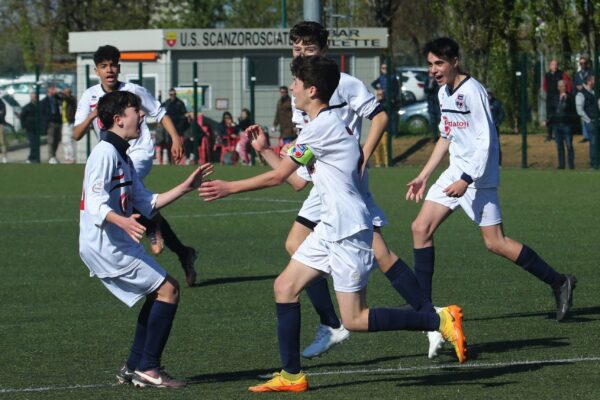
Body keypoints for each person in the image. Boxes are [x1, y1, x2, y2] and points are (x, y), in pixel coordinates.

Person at [199, 56, 466, 393]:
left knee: (354, 319)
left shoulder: (322, 128)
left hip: (348, 230)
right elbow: (296, 180)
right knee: (284, 288)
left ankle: (437, 319)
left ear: (312, 89)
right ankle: (292, 375)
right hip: (330, 227)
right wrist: (266, 149)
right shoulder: (319, 127)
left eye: (296, 82)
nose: (291, 88)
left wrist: (229, 187)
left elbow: (281, 176)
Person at [251, 21, 446, 361]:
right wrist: (277, 152)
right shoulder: (302, 88)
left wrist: (363, 156)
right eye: (296, 48)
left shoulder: (341, 83)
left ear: (323, 51)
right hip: (324, 182)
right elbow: (302, 155)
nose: (301, 54)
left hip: (345, 184)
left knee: (379, 255)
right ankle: (339, 323)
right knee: (302, 245)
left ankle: (430, 320)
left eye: (308, 49)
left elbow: (380, 117)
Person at [406, 38, 577, 328]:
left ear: (455, 61)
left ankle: (560, 282)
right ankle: (423, 307)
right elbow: (445, 137)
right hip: (456, 172)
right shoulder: (443, 93)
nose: (434, 69)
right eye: (430, 64)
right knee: (420, 228)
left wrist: (466, 179)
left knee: (495, 243)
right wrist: (423, 175)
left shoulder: (473, 92)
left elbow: (486, 141)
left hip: (478, 176)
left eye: (439, 63)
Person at [79, 90, 213, 389]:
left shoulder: (121, 155)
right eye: (134, 111)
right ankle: (149, 368)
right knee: (169, 290)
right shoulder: (104, 154)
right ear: (117, 119)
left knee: (159, 292)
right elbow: (95, 203)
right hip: (105, 244)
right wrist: (122, 220)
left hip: (116, 240)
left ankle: (133, 366)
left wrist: (185, 187)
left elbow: (148, 202)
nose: (142, 115)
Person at [73, 45, 198, 287]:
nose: (109, 70)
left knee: (126, 193)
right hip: (114, 155)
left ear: (119, 67)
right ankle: (182, 251)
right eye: (104, 66)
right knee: (129, 199)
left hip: (138, 153)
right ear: (96, 70)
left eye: (113, 65)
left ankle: (150, 225)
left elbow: (160, 113)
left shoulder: (133, 91)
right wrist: (92, 115)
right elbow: (76, 134)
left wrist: (175, 138)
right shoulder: (89, 97)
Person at [543, 59, 572, 143]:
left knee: (559, 115)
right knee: (549, 116)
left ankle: (559, 135)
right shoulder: (547, 75)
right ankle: (549, 135)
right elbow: (544, 86)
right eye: (553, 65)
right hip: (550, 98)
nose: (554, 66)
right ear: (550, 66)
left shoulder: (562, 74)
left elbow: (568, 84)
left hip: (559, 98)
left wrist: (566, 94)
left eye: (556, 65)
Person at [160, 88, 189, 163]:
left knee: (179, 143)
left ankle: (179, 160)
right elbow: (159, 109)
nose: (172, 96)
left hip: (178, 127)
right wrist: (159, 96)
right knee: (169, 144)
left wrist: (181, 126)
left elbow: (184, 114)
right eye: (171, 94)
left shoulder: (180, 103)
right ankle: (171, 161)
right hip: (169, 127)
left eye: (174, 94)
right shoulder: (167, 103)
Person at [552, 80, 576, 169]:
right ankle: (561, 165)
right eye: (561, 86)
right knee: (559, 145)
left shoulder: (570, 97)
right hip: (557, 124)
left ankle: (571, 165)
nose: (563, 88)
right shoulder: (555, 97)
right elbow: (553, 109)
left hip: (567, 124)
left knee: (569, 145)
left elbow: (573, 109)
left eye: (565, 86)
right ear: (558, 88)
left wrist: (567, 100)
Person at [575, 74, 598, 168]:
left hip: (597, 120)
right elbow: (579, 110)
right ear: (589, 81)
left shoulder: (595, 92)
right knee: (593, 142)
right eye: (594, 80)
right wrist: (588, 120)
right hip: (591, 121)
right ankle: (594, 163)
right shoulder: (581, 94)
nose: (595, 82)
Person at [39, 84, 62, 164]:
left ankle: (54, 155)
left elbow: (63, 98)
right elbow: (41, 113)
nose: (54, 90)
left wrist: (59, 93)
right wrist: (47, 120)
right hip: (50, 123)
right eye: (52, 89)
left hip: (58, 122)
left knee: (57, 139)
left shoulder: (57, 99)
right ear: (48, 90)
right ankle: (51, 156)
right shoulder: (44, 101)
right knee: (51, 140)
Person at [574, 55, 592, 143]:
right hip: (581, 96)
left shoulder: (591, 72)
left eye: (584, 63)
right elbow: (575, 84)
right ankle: (586, 135)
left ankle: (591, 133)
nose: (583, 64)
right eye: (581, 63)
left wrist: (584, 86)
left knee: (589, 114)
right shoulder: (577, 74)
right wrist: (577, 88)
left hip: (589, 96)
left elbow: (592, 82)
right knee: (582, 115)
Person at [20, 93, 40, 163]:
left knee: (36, 143)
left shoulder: (39, 106)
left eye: (35, 97)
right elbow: (22, 117)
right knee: (33, 143)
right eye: (33, 97)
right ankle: (31, 158)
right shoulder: (27, 107)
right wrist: (24, 126)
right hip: (30, 128)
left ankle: (34, 157)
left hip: (37, 128)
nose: (35, 99)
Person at [59, 87, 77, 163]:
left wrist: (59, 92)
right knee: (64, 141)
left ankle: (71, 157)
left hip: (69, 122)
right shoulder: (64, 100)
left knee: (68, 140)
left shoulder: (71, 99)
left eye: (66, 92)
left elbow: (66, 98)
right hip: (64, 122)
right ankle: (67, 157)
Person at [487, 90, 505, 166]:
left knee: (496, 145)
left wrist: (498, 123)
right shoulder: (483, 103)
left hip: (494, 128)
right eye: (487, 94)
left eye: (490, 93)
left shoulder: (497, 103)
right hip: (485, 128)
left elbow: (501, 114)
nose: (489, 95)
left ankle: (498, 163)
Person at [372, 88, 389, 167]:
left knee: (385, 147)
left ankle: (387, 163)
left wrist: (378, 102)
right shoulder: (375, 103)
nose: (380, 96)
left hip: (385, 130)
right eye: (378, 94)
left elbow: (383, 109)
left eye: (381, 94)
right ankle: (378, 163)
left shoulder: (385, 103)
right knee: (376, 147)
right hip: (376, 130)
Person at [424, 73, 441, 139]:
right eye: (429, 73)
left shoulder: (438, 80)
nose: (431, 75)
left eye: (432, 74)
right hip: (431, 103)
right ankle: (434, 136)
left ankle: (442, 136)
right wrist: (430, 84)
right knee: (432, 121)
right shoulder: (427, 80)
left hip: (437, 103)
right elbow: (426, 90)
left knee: (440, 120)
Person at [0, 95, 6, 163]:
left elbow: (2, 114)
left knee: (2, 141)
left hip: (0, 124)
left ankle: (4, 157)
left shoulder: (2, 103)